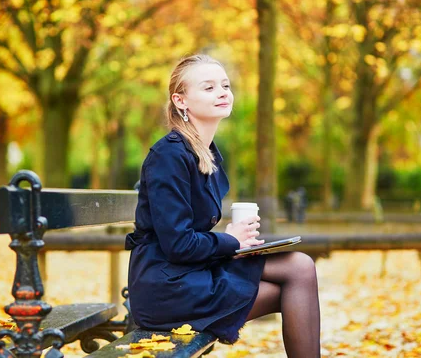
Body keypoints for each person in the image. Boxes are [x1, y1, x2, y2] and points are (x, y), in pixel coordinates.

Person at [125, 54, 321, 358]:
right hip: (166, 289)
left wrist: (234, 240)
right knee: (293, 283)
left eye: (225, 85)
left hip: (189, 274)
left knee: (300, 266)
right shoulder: (168, 156)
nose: (222, 92)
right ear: (180, 101)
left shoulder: (205, 153)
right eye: (209, 87)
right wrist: (231, 241)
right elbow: (178, 244)